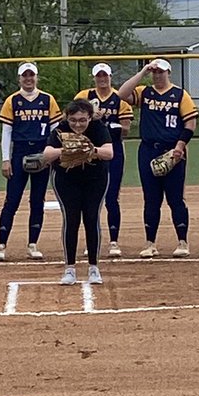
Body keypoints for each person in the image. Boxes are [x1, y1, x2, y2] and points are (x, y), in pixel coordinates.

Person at [117, 59, 198, 258]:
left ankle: (182, 242)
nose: (157, 75)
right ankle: (150, 243)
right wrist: (143, 71)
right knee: (151, 199)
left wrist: (180, 147)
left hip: (172, 150)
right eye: (155, 72)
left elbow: (190, 124)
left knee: (175, 198)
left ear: (168, 73)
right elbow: (122, 94)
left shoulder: (180, 94)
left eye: (161, 72)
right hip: (148, 150)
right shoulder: (145, 92)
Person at [40, 99, 114, 285]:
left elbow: (109, 153)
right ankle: (70, 268)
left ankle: (94, 267)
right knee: (71, 219)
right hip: (66, 180)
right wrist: (67, 149)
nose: (77, 124)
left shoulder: (98, 128)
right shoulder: (60, 129)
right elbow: (47, 154)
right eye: (73, 120)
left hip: (95, 179)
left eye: (82, 120)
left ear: (90, 117)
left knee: (91, 218)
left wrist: (90, 150)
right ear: (67, 118)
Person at [0, 63, 61, 262]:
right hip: (20, 150)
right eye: (25, 76)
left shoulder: (47, 100)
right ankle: (1, 245)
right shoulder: (13, 100)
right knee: (12, 200)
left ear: (36, 77)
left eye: (32, 76)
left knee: (37, 200)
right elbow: (6, 131)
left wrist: (52, 155)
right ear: (19, 79)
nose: (28, 79)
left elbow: (55, 130)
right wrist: (6, 159)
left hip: (41, 150)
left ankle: (33, 244)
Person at [76, 64, 133, 257]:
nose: (102, 79)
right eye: (98, 76)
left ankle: (113, 241)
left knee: (112, 197)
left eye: (105, 76)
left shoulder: (119, 98)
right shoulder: (84, 95)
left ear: (110, 77)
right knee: (90, 198)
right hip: (88, 150)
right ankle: (91, 240)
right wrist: (92, 119)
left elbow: (126, 128)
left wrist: (106, 123)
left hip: (113, 149)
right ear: (94, 78)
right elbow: (74, 122)